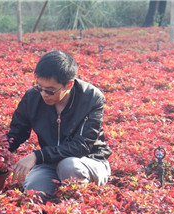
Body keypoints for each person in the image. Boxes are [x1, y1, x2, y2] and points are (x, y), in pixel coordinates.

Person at [7, 50, 112, 202]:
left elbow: (81, 146)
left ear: (69, 84)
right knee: (33, 194)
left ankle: (78, 205)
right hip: (50, 164)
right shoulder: (32, 97)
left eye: (50, 91)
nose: (43, 94)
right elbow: (16, 133)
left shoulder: (90, 98)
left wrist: (37, 156)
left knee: (69, 166)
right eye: (39, 87)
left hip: (88, 161)